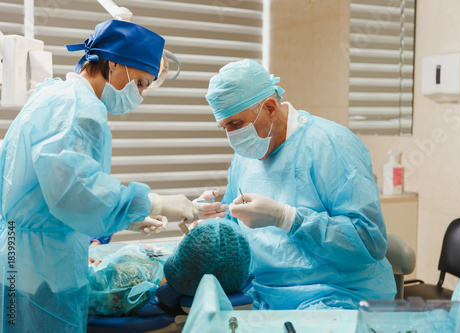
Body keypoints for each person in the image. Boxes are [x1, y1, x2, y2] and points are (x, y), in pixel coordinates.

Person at [0, 20, 199, 332]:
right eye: (142, 83)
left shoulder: (52, 94)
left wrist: (127, 217)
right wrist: (151, 202)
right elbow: (74, 192)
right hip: (44, 271)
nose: (141, 95)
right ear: (115, 63)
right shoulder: (78, 107)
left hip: (20, 258)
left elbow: (48, 188)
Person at [205, 59, 397, 310]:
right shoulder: (244, 158)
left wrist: (287, 217)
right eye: (225, 127)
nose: (232, 136)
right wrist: (212, 221)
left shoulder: (329, 144)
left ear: (271, 108)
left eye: (237, 124)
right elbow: (234, 228)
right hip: (262, 295)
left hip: (336, 295)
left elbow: (369, 239)